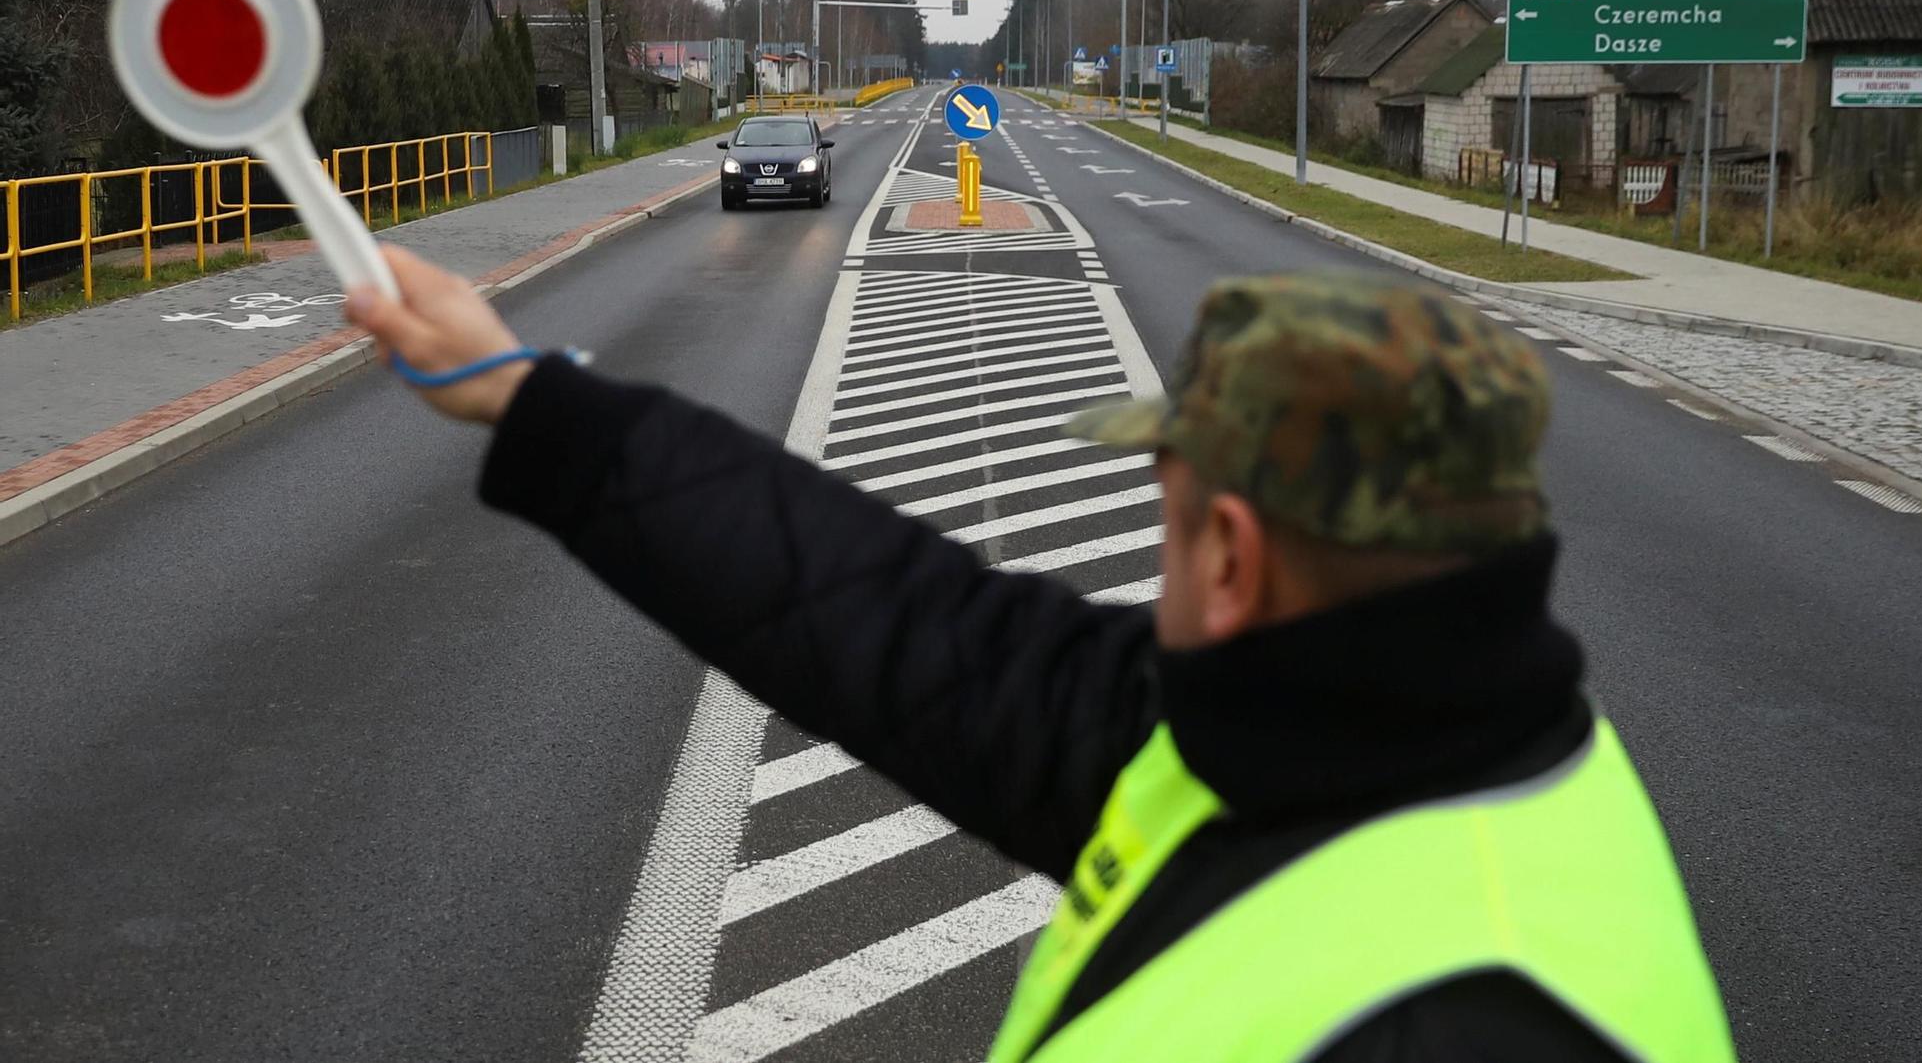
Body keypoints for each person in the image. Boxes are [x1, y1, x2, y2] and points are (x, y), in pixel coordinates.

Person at [347, 248, 1738, 1062]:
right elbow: (899, 622)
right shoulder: (1382, 731)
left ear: (1236, 555)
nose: (1154, 538)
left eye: (1167, 505)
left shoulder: (1473, 1016)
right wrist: (534, 401)